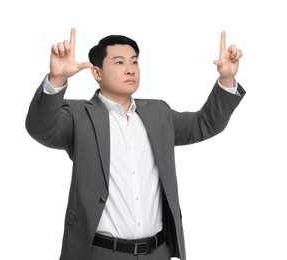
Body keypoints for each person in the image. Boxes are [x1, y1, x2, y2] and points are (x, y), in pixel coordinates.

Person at [26, 28, 245, 260]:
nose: (130, 69)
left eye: (134, 62)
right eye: (119, 62)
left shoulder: (158, 113)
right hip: (102, 253)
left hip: (158, 251)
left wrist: (226, 79)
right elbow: (41, 129)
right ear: (97, 73)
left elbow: (205, 124)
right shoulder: (79, 116)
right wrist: (57, 79)